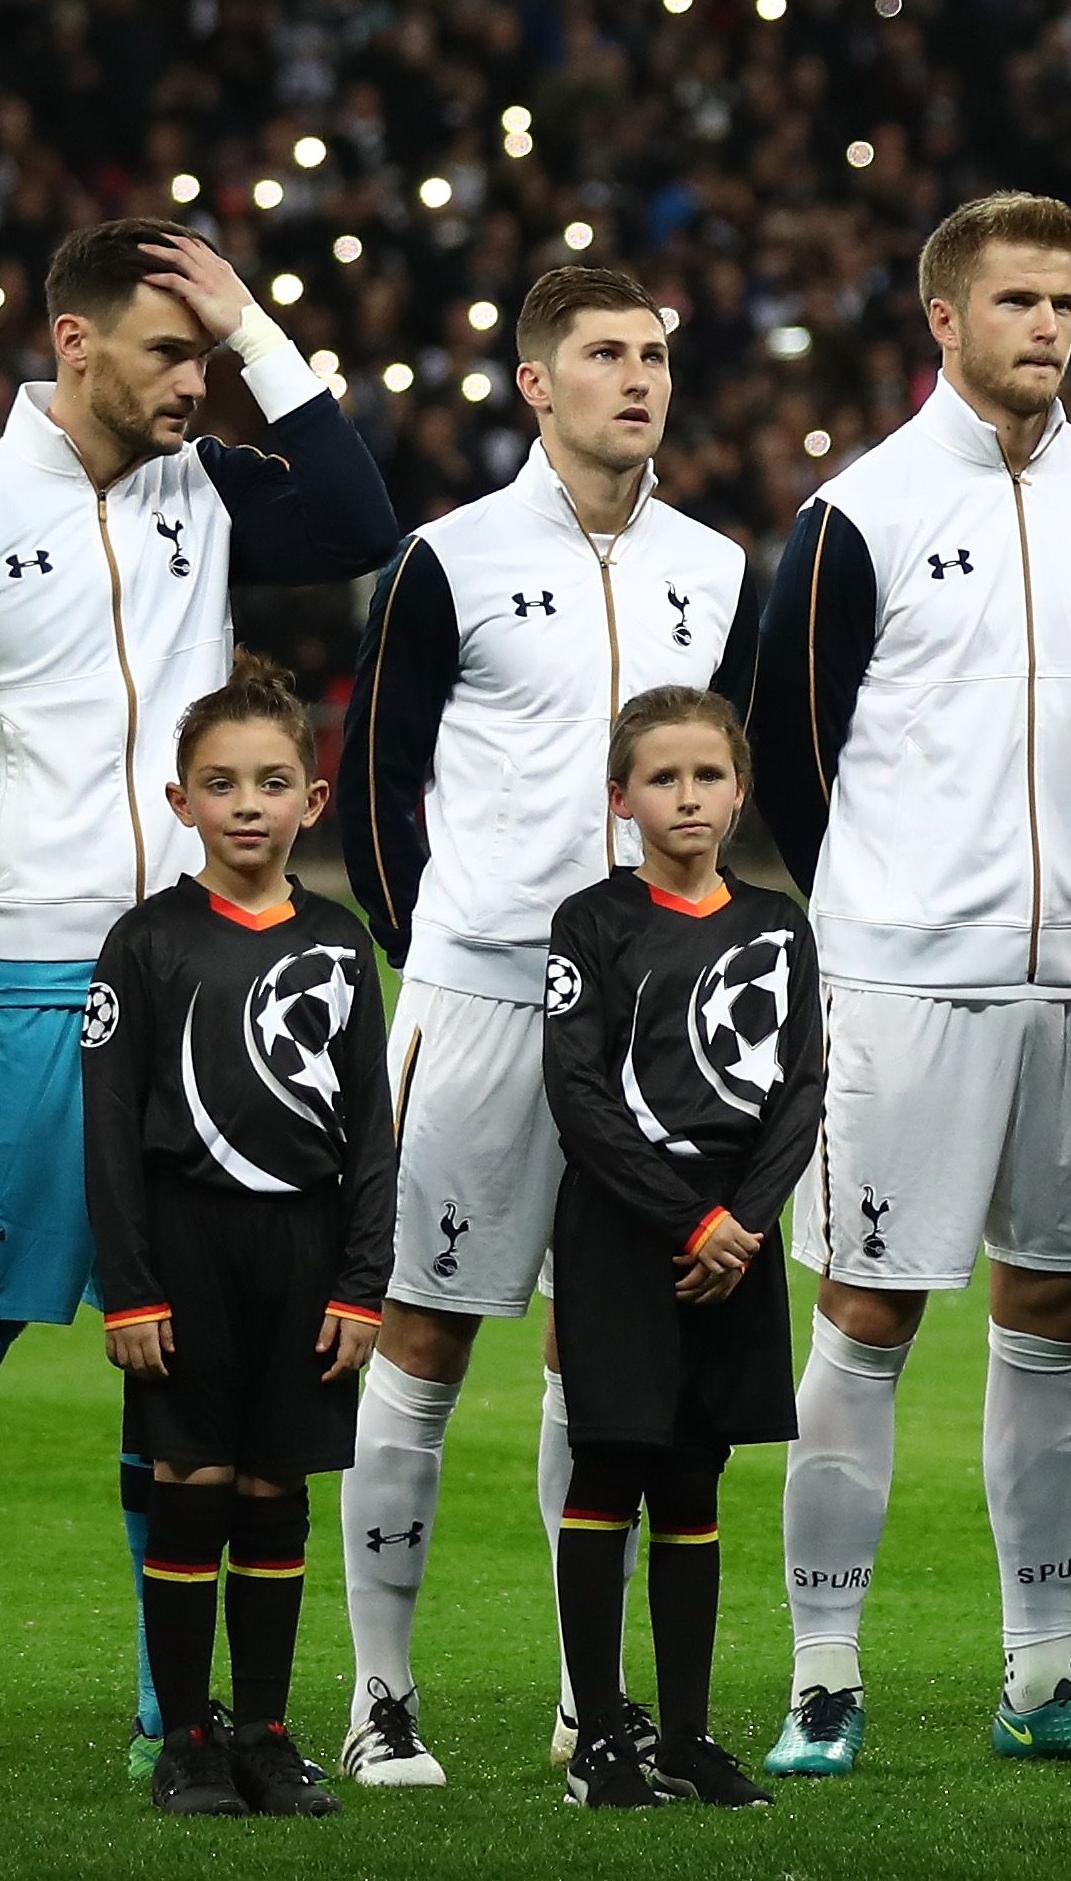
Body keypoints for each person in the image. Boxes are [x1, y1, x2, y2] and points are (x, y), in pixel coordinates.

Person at [0, 218, 396, 1799]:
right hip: (12, 984)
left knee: (185, 1352)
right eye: (173, 350)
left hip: (198, 979)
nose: (199, 381)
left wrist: (254, 321)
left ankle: (178, 1709)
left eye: (212, 355)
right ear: (75, 343)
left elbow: (359, 517)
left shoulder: (207, 491)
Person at [734, 192, 1071, 1774]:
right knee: (868, 1308)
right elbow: (789, 741)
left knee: (1054, 1312)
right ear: (943, 318)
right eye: (1017, 301)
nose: (1047, 326)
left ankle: (1041, 1668)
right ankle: (825, 1676)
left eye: (1064, 300)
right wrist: (887, 897)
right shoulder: (859, 510)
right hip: (906, 977)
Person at [335, 261, 756, 1788]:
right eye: (603, 352)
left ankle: (594, 1705)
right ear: (535, 382)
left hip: (653, 1022)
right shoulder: (444, 558)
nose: (637, 376)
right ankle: (381, 1692)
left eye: (653, 351)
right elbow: (376, 786)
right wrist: (434, 948)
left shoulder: (715, 567)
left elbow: (723, 779)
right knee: (422, 1331)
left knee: (608, 1361)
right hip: (485, 995)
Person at [81, 661, 393, 1818]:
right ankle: (188, 1743)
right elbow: (109, 1132)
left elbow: (372, 1134)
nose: (247, 804)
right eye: (222, 785)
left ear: (313, 800)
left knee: (274, 1485)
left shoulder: (342, 940)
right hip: (186, 1249)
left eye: (273, 782)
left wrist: (364, 1286)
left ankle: (262, 1732)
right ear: (181, 803)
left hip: (306, 1253)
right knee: (192, 1482)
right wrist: (129, 1290)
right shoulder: (147, 943)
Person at [539, 689, 825, 1807]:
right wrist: (689, 1220)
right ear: (622, 799)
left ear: (740, 790)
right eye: (663, 778)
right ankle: (604, 1736)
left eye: (708, 775)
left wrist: (745, 1221)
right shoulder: (592, 925)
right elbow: (579, 1093)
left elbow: (799, 1087)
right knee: (613, 1462)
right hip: (629, 1225)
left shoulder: (776, 923)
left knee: (697, 1474)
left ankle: (693, 1735)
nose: (688, 795)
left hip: (735, 1228)